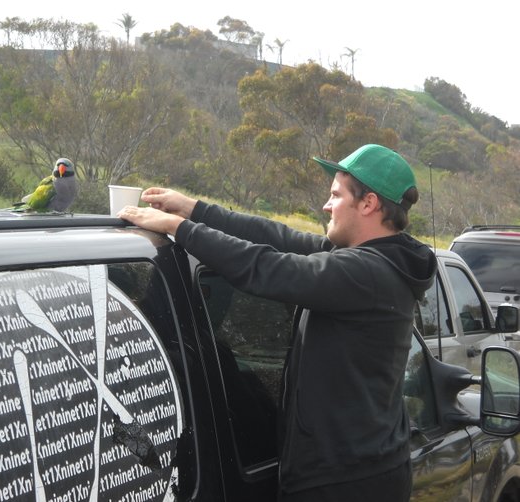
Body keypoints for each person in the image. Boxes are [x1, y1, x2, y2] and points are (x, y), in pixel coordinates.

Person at [118, 143, 437, 502]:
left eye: (335, 195)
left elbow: (266, 267)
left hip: (345, 483)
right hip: (358, 470)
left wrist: (180, 228)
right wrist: (194, 210)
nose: (326, 205)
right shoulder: (370, 261)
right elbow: (277, 236)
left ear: (368, 204)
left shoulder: (367, 273)